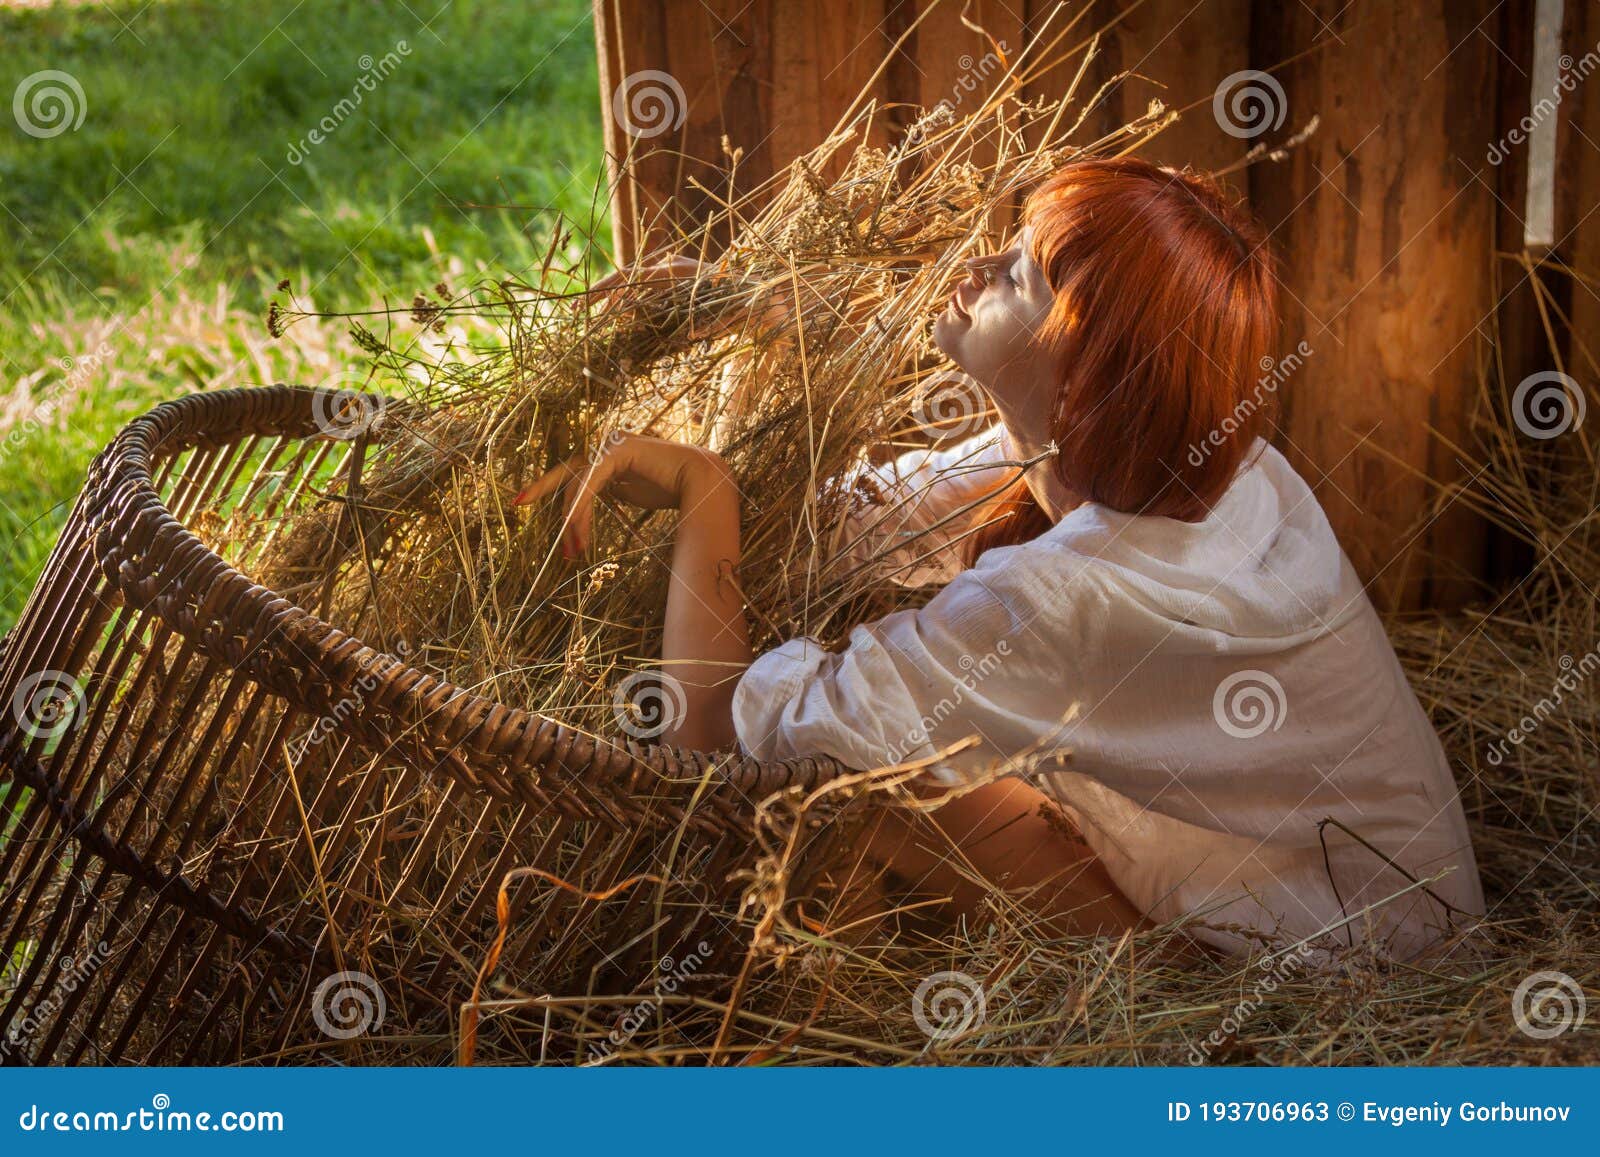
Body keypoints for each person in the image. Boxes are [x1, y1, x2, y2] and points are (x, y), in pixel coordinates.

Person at [516, 157, 1485, 960]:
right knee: (896, 738)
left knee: (863, 781)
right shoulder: (1193, 461)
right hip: (1341, 883)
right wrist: (754, 325)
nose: (976, 264)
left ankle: (1155, 996)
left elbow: (715, 755)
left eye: (1019, 273)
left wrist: (706, 492)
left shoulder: (1072, 588)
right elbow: (847, 524)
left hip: (1350, 968)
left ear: (1082, 377)